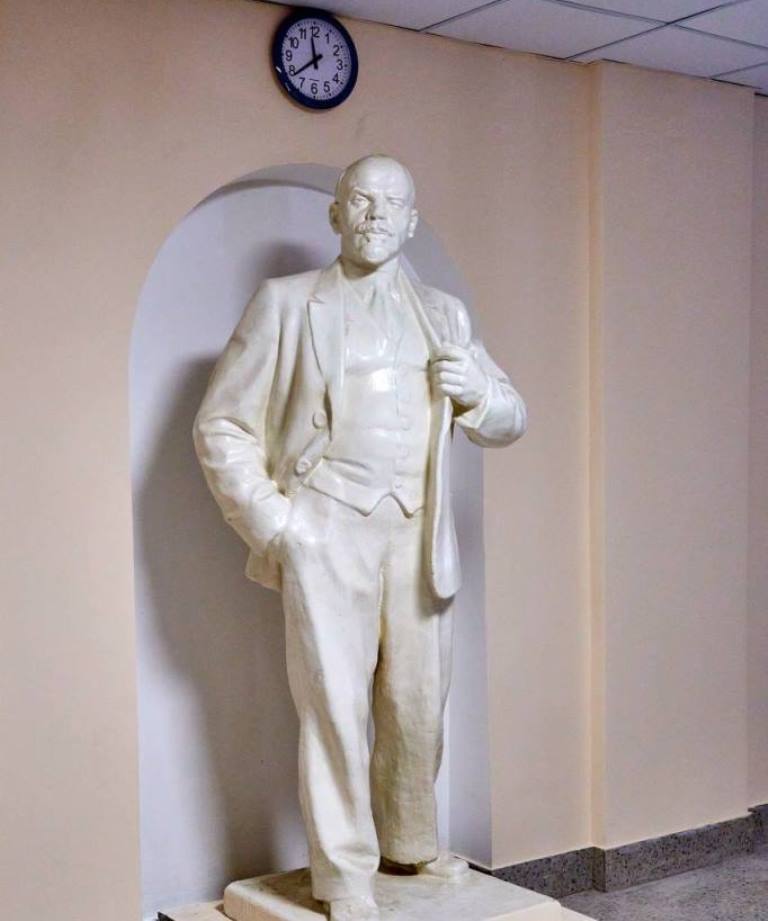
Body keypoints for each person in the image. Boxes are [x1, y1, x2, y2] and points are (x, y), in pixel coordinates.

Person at [194, 155, 527, 921]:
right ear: (336, 214)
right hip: (328, 525)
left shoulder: (444, 314)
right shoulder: (285, 304)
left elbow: (510, 417)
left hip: (416, 531)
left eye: (392, 203)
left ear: (411, 222)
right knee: (334, 706)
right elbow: (221, 424)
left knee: (417, 701)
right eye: (361, 200)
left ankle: (409, 843)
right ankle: (343, 874)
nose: (376, 214)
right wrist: (278, 525)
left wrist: (480, 395)